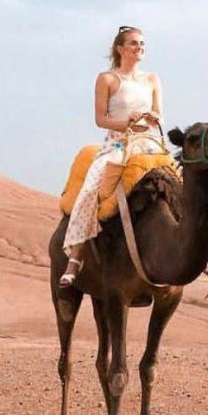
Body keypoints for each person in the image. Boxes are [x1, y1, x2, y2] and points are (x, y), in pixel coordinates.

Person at [59, 26, 166, 287]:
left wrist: (153, 118)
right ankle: (76, 256)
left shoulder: (152, 79)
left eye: (142, 43)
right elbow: (101, 119)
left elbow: (159, 114)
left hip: (150, 144)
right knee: (91, 188)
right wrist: (126, 122)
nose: (139, 47)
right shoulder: (107, 79)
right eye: (133, 43)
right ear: (120, 48)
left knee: (182, 182)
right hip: (118, 144)